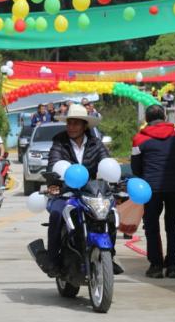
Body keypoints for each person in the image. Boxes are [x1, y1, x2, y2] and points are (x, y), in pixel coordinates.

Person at [35, 104, 122, 276]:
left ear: (84, 126)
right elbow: (54, 163)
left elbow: (107, 163)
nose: (71, 127)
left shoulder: (96, 144)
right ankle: (52, 260)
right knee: (57, 215)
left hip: (92, 193)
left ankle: (109, 256)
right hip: (66, 192)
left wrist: (116, 183)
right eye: (69, 123)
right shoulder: (59, 141)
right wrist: (54, 181)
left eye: (76, 123)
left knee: (110, 214)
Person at [131, 105, 175, 278]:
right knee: (173, 226)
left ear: (146, 120)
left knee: (152, 226)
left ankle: (156, 266)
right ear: (164, 117)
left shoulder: (139, 139)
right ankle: (172, 266)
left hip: (151, 189)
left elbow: (135, 168)